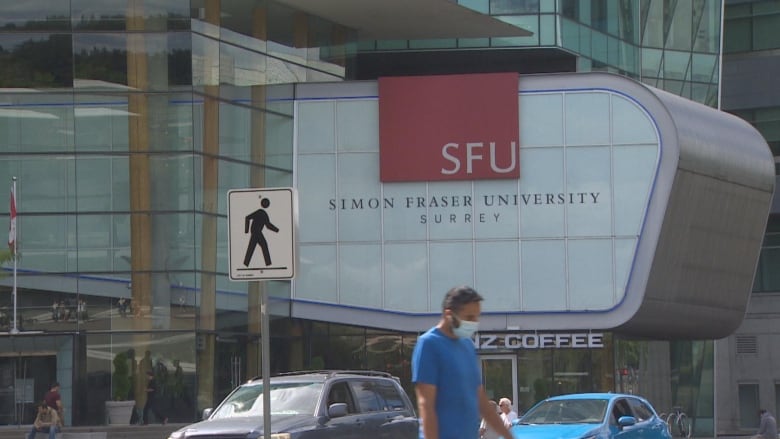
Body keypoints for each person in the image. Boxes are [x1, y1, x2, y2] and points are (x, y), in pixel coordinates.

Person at [412, 286, 512, 439]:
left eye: (476, 317)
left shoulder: (467, 345)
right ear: (449, 314)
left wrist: (509, 436)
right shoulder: (429, 345)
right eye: (469, 317)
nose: (474, 322)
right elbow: (426, 406)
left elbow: (481, 400)